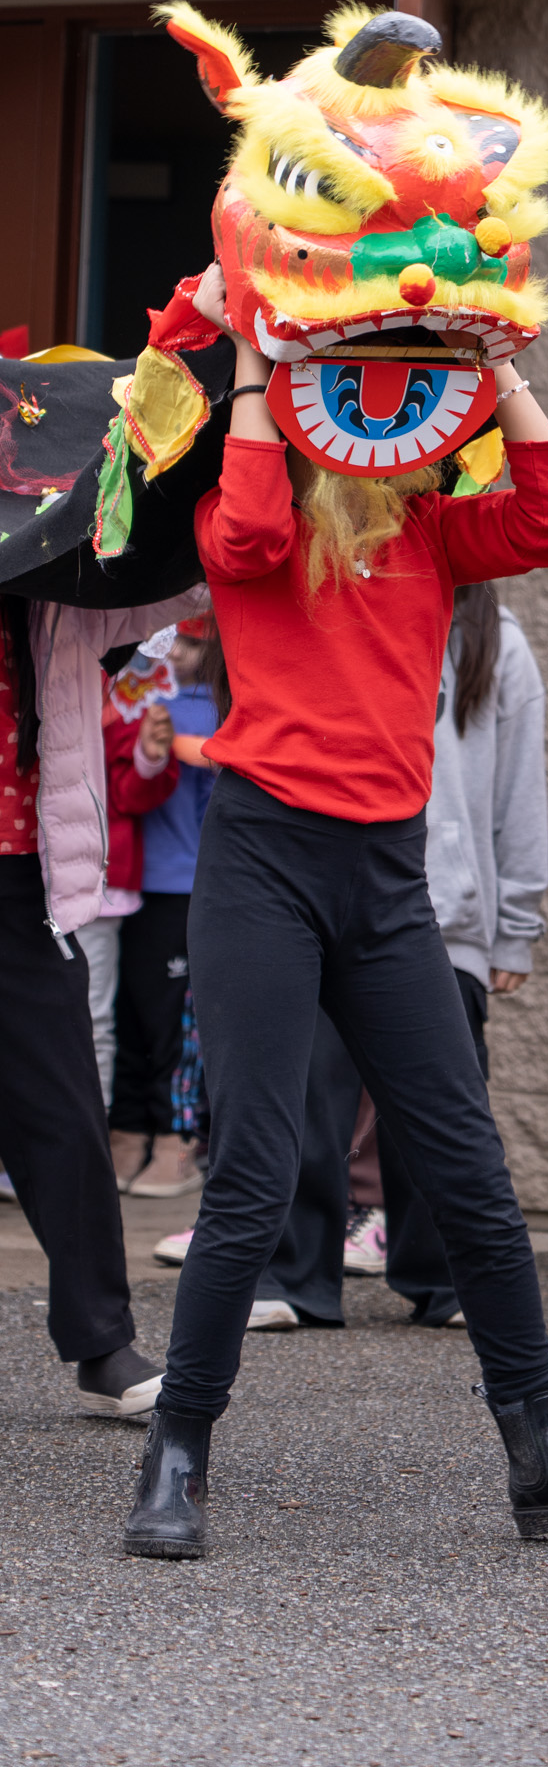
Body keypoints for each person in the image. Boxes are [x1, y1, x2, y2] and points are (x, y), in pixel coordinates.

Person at [122, 265, 548, 1558]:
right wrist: (263, 369)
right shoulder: (241, 516)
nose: (380, 398)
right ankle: (175, 1458)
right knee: (255, 1174)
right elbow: (252, 537)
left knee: (469, 1170)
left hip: (383, 879)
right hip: (262, 867)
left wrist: (494, 360)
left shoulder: (431, 527)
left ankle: (540, 1456)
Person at [251, 581, 548, 1332]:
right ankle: (294, 1278)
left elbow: (521, 788)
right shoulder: (328, 604)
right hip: (319, 904)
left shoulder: (497, 639)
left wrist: (513, 927)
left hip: (442, 913)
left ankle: (446, 1280)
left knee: (441, 1113)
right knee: (304, 1102)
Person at [0, 589, 201, 1419]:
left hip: (18, 880)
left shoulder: (53, 595)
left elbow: (173, 587)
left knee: (64, 1106)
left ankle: (101, 1340)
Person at [109, 618, 218, 1198]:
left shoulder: (224, 703)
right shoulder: (133, 690)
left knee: (176, 1023)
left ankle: (178, 1142)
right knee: (125, 1014)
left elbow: (219, 761)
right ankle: (125, 1131)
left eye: (193, 640)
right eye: (169, 639)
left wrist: (167, 741)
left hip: (189, 884)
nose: (177, 652)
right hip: (125, 879)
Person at [77, 691, 179, 1117]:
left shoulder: (123, 701)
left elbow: (132, 795)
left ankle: (86, 1144)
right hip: (24, 873)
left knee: (90, 1018)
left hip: (95, 882)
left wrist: (148, 755)